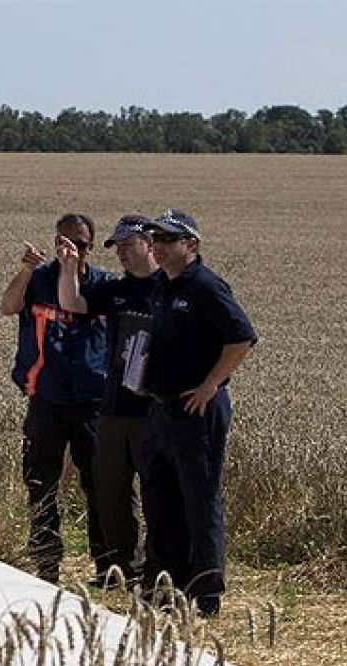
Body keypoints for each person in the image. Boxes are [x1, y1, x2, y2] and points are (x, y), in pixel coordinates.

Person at [136, 210, 256, 617]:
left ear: (192, 245)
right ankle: (169, 585)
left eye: (169, 239)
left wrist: (211, 384)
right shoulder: (161, 287)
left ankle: (206, 593)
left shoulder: (205, 286)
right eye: (156, 238)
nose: (160, 245)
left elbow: (241, 337)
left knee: (200, 498)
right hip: (160, 409)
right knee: (160, 498)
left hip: (196, 411)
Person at [0, 214, 111, 583]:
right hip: (46, 398)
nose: (70, 249)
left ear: (89, 248)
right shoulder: (39, 280)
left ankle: (107, 564)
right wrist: (26, 269)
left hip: (91, 400)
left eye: (78, 244)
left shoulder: (102, 285)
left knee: (99, 484)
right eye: (64, 241)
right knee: (40, 484)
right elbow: (8, 305)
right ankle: (47, 563)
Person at [55, 215, 163, 586]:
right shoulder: (116, 291)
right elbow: (71, 302)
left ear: (150, 245)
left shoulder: (168, 290)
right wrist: (69, 266)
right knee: (110, 492)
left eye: (128, 246)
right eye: (117, 247)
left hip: (155, 412)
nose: (121, 254)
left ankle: (157, 570)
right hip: (114, 406)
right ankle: (122, 570)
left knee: (156, 493)